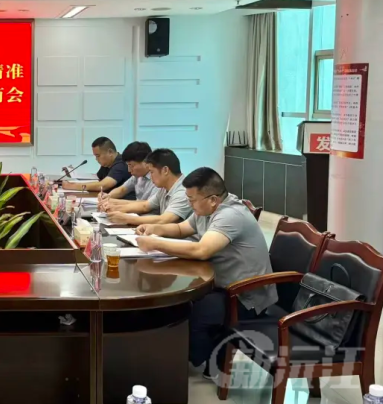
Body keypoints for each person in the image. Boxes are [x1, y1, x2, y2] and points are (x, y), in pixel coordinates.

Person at [134, 167, 277, 380]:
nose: (189, 204)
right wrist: (154, 229)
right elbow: (182, 229)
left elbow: (202, 250)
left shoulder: (230, 215)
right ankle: (174, 356)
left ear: (212, 200)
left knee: (195, 313)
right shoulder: (206, 210)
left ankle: (207, 365)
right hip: (220, 284)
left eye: (192, 199)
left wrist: (155, 244)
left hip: (245, 296)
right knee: (176, 305)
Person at [106, 148, 192, 226]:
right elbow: (145, 206)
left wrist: (126, 218)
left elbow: (164, 220)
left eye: (152, 172)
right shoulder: (165, 188)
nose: (150, 176)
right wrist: (115, 208)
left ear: (165, 170)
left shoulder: (183, 192)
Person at [100, 141, 160, 210]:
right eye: (127, 165)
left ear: (145, 162)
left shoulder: (157, 178)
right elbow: (122, 189)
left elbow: (146, 205)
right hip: (136, 211)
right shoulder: (137, 176)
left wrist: (114, 202)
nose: (129, 170)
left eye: (131, 165)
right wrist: (108, 196)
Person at [61, 137, 130, 194]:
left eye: (98, 156)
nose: (96, 159)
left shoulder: (121, 165)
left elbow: (103, 185)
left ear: (110, 152)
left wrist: (72, 185)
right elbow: (97, 179)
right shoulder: (107, 164)